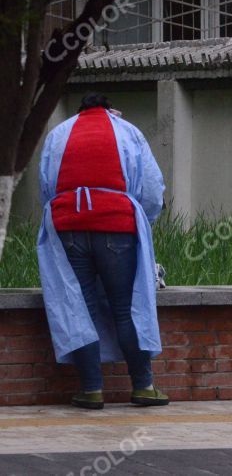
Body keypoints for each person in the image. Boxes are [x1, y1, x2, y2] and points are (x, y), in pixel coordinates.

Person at [37, 94, 167, 410]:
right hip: (117, 227)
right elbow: (151, 189)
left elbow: (46, 186)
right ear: (110, 109)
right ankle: (143, 387)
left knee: (79, 307)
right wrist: (142, 221)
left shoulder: (58, 134)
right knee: (126, 307)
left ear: (80, 111)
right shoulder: (128, 131)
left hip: (67, 227)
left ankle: (92, 390)